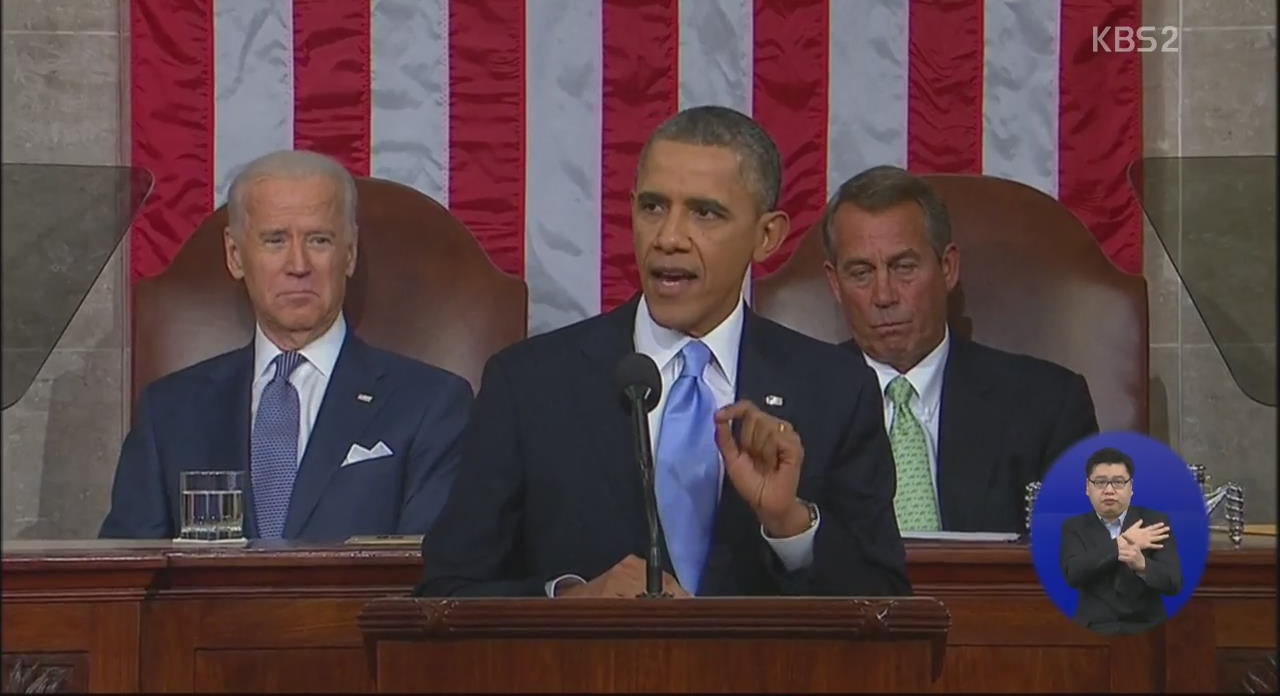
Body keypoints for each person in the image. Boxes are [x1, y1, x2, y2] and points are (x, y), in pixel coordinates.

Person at [418, 106, 908, 598]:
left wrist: (790, 525)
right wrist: (570, 601)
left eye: (705, 213)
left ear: (766, 236)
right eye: (652, 207)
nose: (668, 238)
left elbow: (886, 606)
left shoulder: (835, 389)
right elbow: (445, 593)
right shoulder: (529, 385)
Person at [100, 150, 472, 541]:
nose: (298, 264)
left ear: (349, 252)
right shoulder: (170, 411)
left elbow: (429, 574)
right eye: (275, 240)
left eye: (319, 240)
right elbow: (126, 579)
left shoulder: (431, 403)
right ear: (235, 255)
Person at [821, 165, 1098, 533]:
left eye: (903, 267)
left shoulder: (1047, 405)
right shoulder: (793, 405)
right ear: (835, 284)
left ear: (947, 268)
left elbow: (1083, 559)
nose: (883, 296)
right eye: (861, 273)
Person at [1059, 448, 1182, 635]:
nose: (1109, 490)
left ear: (1131, 487)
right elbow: (1073, 574)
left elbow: (1173, 584)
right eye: (1100, 482)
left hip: (1147, 627)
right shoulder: (1074, 527)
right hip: (1093, 628)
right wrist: (1121, 544)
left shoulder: (1155, 522)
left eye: (1118, 482)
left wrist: (1142, 565)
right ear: (1087, 487)